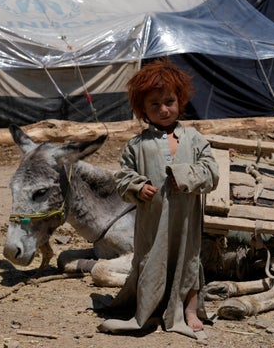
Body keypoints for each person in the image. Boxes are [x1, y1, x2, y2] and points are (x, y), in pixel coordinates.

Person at [97, 59, 219, 340]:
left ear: (180, 100)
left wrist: (184, 175)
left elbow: (212, 172)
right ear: (142, 110)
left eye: (169, 101)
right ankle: (148, 305)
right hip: (152, 223)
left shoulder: (194, 138)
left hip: (186, 220)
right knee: (151, 260)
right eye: (155, 105)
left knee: (188, 258)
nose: (164, 109)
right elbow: (123, 177)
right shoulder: (137, 145)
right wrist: (138, 187)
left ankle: (189, 309)